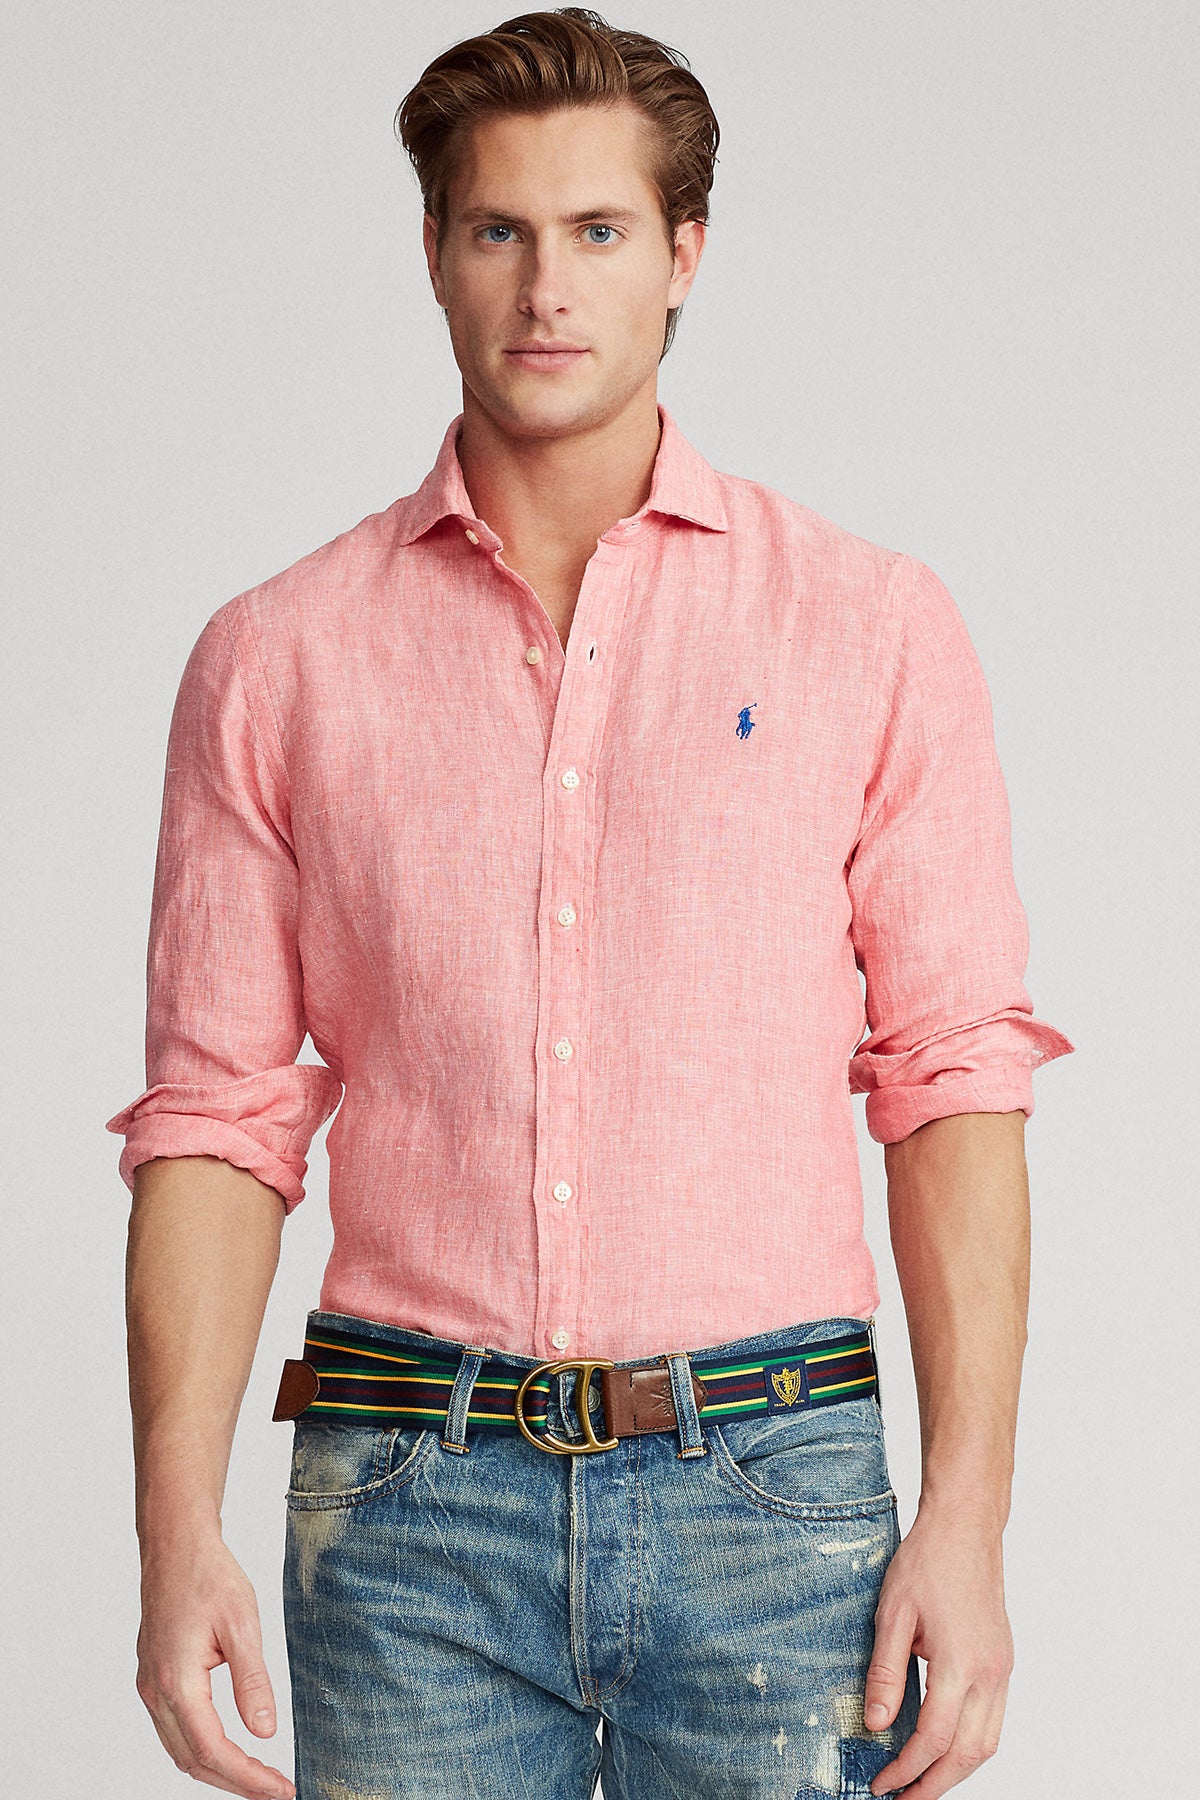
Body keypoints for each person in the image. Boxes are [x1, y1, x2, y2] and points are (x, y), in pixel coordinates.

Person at [107, 10, 1075, 1799]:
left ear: (685, 252)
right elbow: (218, 1122)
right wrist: (175, 1535)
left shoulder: (866, 627)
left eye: (600, 230)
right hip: (408, 1506)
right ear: (433, 251)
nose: (547, 287)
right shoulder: (278, 659)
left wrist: (969, 1516)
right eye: (500, 230)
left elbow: (951, 1082)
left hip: (776, 1492)